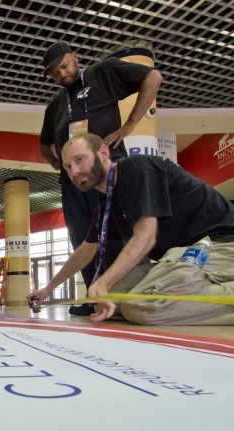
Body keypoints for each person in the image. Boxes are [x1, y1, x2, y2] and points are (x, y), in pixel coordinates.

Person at [28, 133, 234, 325]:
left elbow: (146, 236)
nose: (74, 171)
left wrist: (104, 281)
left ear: (103, 153)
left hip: (220, 244)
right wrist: (49, 288)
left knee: (141, 308)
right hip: (182, 257)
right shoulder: (107, 200)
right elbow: (86, 250)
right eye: (67, 166)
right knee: (105, 300)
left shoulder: (138, 169)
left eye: (79, 159)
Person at [39, 41, 163, 315]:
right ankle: (94, 296)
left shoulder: (101, 73)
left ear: (75, 56)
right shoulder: (56, 105)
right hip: (74, 181)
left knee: (116, 231)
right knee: (81, 235)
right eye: (55, 74)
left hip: (108, 171)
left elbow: (153, 77)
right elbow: (44, 144)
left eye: (65, 66)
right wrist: (59, 163)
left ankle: (119, 293)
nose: (62, 75)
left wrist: (129, 125)